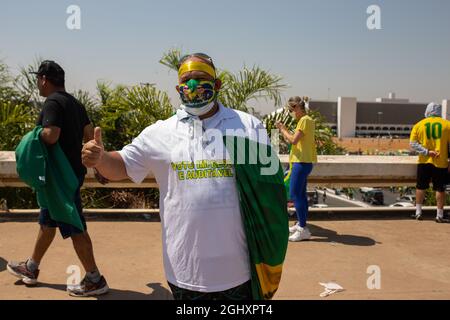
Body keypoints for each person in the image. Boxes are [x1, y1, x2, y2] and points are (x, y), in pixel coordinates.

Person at [81, 53, 288, 300]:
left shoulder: (247, 127)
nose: (192, 86)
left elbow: (269, 191)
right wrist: (101, 158)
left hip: (240, 270)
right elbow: (122, 166)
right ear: (178, 87)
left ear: (217, 84)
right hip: (185, 272)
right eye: (186, 80)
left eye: (200, 78)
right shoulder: (159, 133)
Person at [7, 61, 109, 297]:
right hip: (70, 175)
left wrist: (32, 135)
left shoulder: (52, 102)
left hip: (60, 179)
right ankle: (31, 268)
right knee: (47, 221)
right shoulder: (75, 103)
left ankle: (95, 279)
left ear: (44, 79)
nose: (37, 84)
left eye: (38, 80)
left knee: (74, 225)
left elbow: (51, 136)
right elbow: (90, 136)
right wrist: (99, 167)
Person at [276, 96, 317, 241]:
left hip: (301, 162)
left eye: (291, 109)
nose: (290, 112)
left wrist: (282, 129)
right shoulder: (307, 120)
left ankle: (303, 228)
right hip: (303, 161)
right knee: (301, 194)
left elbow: (293, 140)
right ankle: (301, 224)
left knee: (294, 194)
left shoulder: (304, 120)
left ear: (297, 107)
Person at [410, 102, 450, 223]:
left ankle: (418, 212)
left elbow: (412, 144)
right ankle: (439, 215)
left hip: (424, 161)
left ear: (427, 111)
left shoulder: (419, 125)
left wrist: (427, 152)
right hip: (441, 162)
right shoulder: (447, 125)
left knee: (420, 187)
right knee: (440, 189)